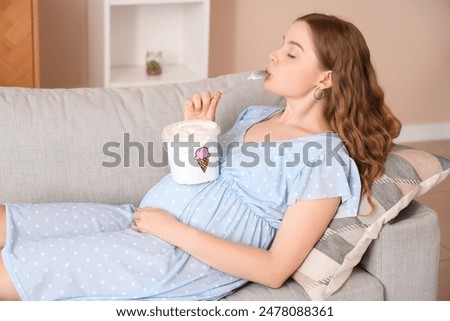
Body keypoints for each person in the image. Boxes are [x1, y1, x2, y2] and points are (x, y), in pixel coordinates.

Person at [0, 13, 401, 301]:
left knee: (24, 267)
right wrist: (197, 137)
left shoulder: (324, 159)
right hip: (138, 219)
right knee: (10, 220)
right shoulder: (256, 116)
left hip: (172, 255)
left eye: (292, 53)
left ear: (325, 78)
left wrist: (172, 231)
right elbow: (200, 178)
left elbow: (275, 270)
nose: (274, 55)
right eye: (280, 44)